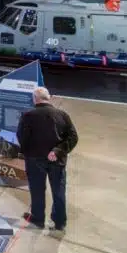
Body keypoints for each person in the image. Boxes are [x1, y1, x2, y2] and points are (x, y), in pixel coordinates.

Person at [16, 86, 78, 231]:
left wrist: (26, 152)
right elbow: (73, 137)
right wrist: (57, 151)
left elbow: (22, 137)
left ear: (35, 99)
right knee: (58, 190)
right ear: (49, 98)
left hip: (35, 159)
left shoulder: (28, 116)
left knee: (37, 189)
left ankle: (38, 218)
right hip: (57, 160)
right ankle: (59, 221)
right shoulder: (62, 115)